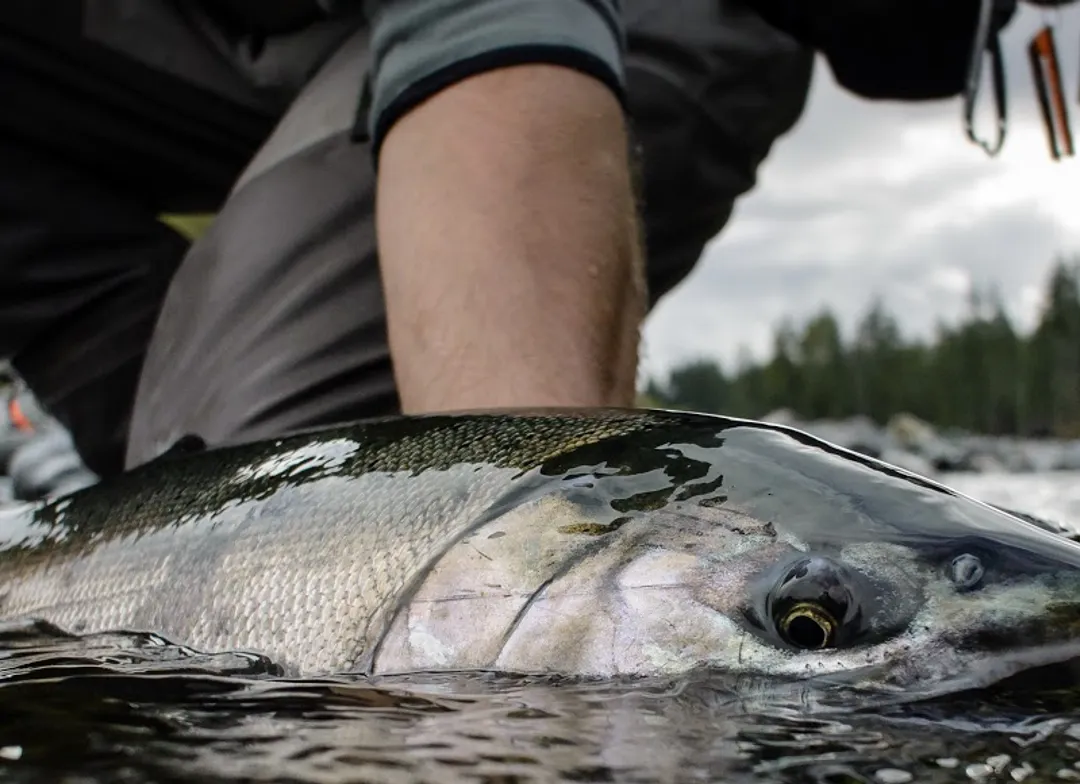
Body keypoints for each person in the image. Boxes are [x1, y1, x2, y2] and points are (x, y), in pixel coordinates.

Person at [0, 1, 1035, 481]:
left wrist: (530, 525)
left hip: (631, 20)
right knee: (214, 548)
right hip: (273, 73)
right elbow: (81, 306)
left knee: (348, 586)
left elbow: (484, 24)